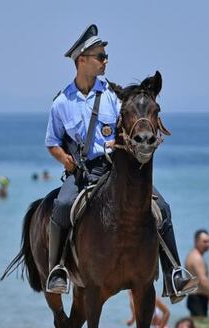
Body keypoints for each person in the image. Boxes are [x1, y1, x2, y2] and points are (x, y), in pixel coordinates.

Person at [43, 24, 197, 302]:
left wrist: (125, 143)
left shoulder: (114, 96)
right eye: (100, 56)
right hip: (82, 172)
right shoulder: (61, 103)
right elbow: (52, 142)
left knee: (161, 207)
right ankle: (58, 270)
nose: (105, 61)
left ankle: (174, 273)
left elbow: (127, 126)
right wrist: (66, 161)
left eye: (105, 56)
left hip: (116, 168)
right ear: (82, 60)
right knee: (63, 205)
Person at [184, 229, 209, 317]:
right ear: (196, 241)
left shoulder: (193, 255)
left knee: (200, 325)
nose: (208, 244)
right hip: (197, 298)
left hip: (196, 297)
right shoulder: (196, 258)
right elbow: (203, 279)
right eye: (204, 242)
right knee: (201, 327)